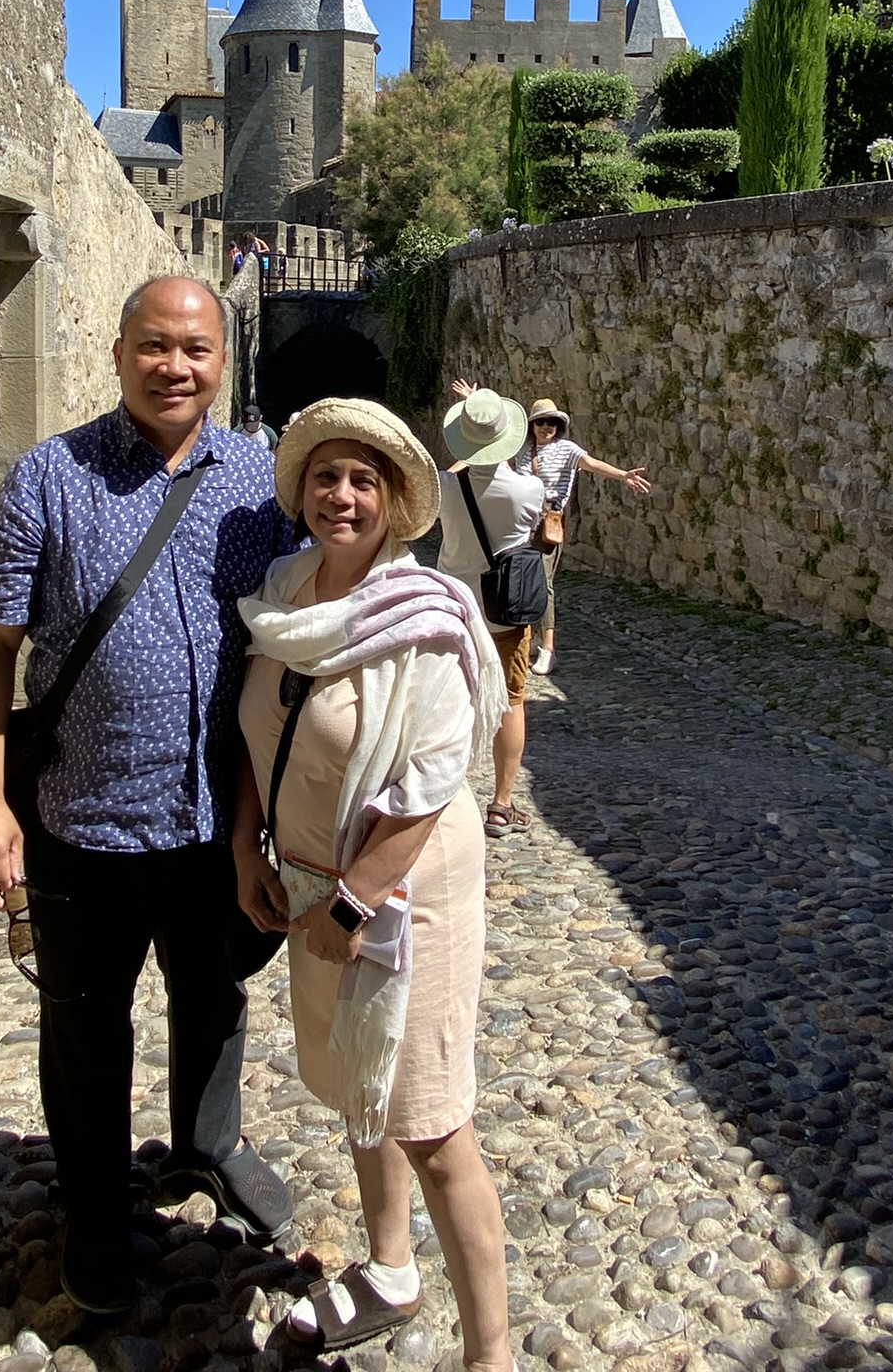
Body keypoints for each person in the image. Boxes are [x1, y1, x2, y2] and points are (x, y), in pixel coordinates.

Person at [0, 275, 293, 1315]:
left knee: (216, 994)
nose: (174, 367)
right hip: (82, 818)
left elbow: (305, 630)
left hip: (218, 820)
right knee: (85, 1026)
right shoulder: (50, 476)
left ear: (222, 361)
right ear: (117, 353)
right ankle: (96, 1207)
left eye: (195, 349)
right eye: (154, 345)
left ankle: (209, 1143)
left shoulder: (260, 481)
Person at [233, 400, 513, 1372]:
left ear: (394, 501)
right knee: (363, 1083)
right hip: (310, 884)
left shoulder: (427, 617)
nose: (341, 496)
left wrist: (354, 901)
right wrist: (247, 848)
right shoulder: (284, 593)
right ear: (302, 490)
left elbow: (431, 783)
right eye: (326, 476)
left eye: (363, 480)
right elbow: (256, 730)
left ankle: (491, 1354)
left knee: (431, 1123)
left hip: (402, 897)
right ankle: (391, 1268)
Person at [435, 385, 545, 837]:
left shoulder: (445, 487)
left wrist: (463, 457)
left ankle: (440, 800)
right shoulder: (529, 490)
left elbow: (445, 480)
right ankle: (501, 804)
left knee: (447, 702)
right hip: (504, 612)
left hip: (454, 611)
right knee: (511, 703)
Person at [520, 398, 650, 674]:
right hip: (521, 524)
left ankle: (548, 649)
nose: (547, 426)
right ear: (532, 425)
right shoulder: (523, 452)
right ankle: (535, 637)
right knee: (526, 582)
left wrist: (623, 475)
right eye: (541, 421)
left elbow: (591, 464)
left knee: (544, 582)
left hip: (546, 524)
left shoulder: (566, 449)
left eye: (552, 422)